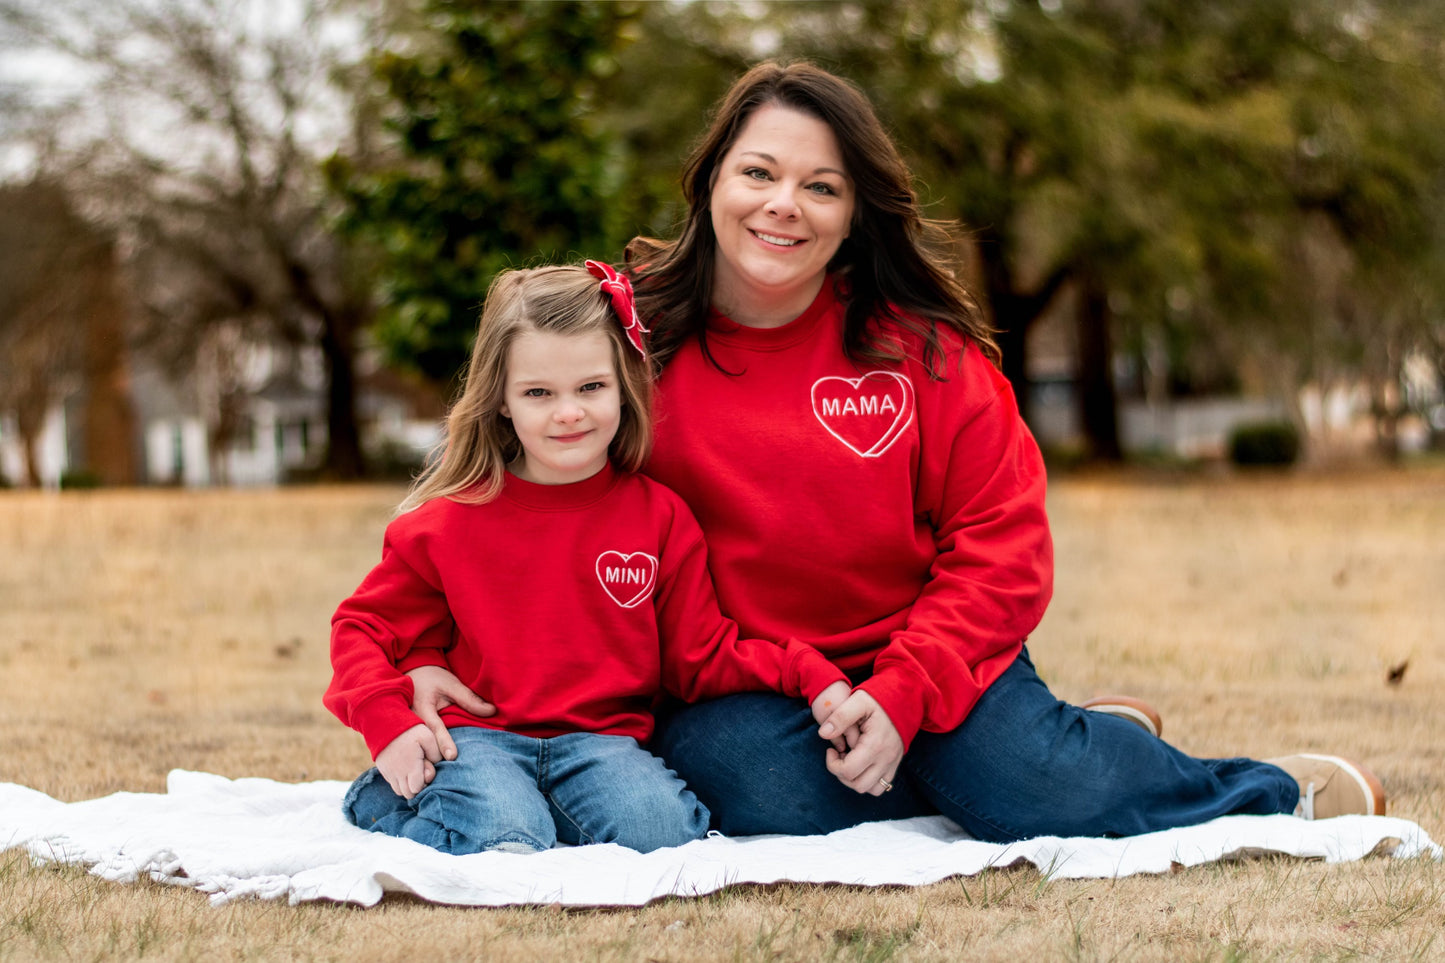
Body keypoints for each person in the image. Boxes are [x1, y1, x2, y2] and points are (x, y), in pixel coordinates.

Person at [408, 63, 1386, 841]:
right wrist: (418, 652)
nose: (781, 204)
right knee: (757, 796)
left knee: (1020, 787)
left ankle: (1252, 790)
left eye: (819, 186)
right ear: (709, 178)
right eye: (757, 172)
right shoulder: (625, 343)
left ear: (852, 213)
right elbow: (511, 483)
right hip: (745, 678)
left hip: (927, 650)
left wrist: (906, 692)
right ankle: (1044, 753)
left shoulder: (919, 351)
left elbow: (1003, 541)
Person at [325, 261, 851, 855]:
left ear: (623, 386)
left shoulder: (660, 517)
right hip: (476, 739)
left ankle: (534, 815)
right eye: (538, 394)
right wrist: (387, 724)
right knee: (505, 838)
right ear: (501, 401)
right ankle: (389, 799)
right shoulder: (448, 522)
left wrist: (806, 672)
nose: (568, 412)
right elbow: (361, 628)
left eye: (590, 388)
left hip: (601, 746)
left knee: (662, 835)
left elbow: (700, 659)